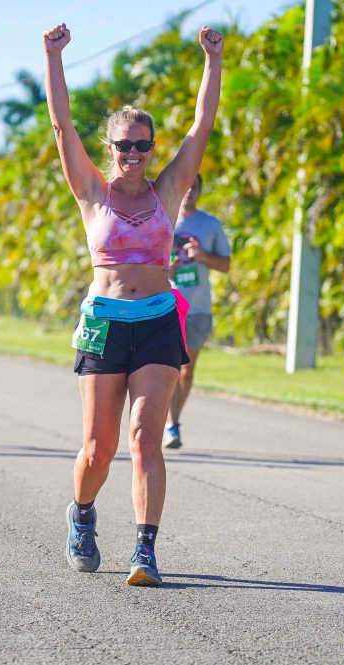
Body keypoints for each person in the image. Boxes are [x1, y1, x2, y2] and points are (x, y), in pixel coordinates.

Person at [44, 22, 223, 586]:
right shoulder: (91, 192)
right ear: (111, 147)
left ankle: (144, 550)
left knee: (146, 437)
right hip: (104, 324)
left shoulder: (167, 191)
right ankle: (83, 514)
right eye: (125, 145)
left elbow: (201, 126)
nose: (135, 154)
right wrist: (52, 57)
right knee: (99, 448)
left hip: (156, 323)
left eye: (144, 145)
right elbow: (61, 122)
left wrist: (213, 61)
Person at [164, 173, 231, 449]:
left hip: (198, 308)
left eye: (195, 187)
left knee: (186, 370)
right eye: (186, 185)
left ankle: (174, 422)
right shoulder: (162, 218)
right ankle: (168, 425)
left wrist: (203, 257)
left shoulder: (210, 225)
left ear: (201, 191)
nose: (189, 191)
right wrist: (166, 268)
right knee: (168, 368)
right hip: (165, 305)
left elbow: (225, 265)